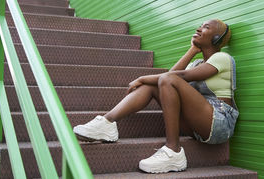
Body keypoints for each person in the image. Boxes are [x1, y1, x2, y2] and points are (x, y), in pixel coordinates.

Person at [73, 19, 239, 173]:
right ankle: (107, 123)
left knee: (162, 80)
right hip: (198, 124)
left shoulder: (222, 58)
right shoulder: (195, 64)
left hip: (220, 121)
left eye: (206, 27)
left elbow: (176, 77)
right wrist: (193, 50)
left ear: (216, 39)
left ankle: (173, 151)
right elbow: (169, 77)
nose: (198, 28)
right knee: (152, 86)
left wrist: (141, 77)